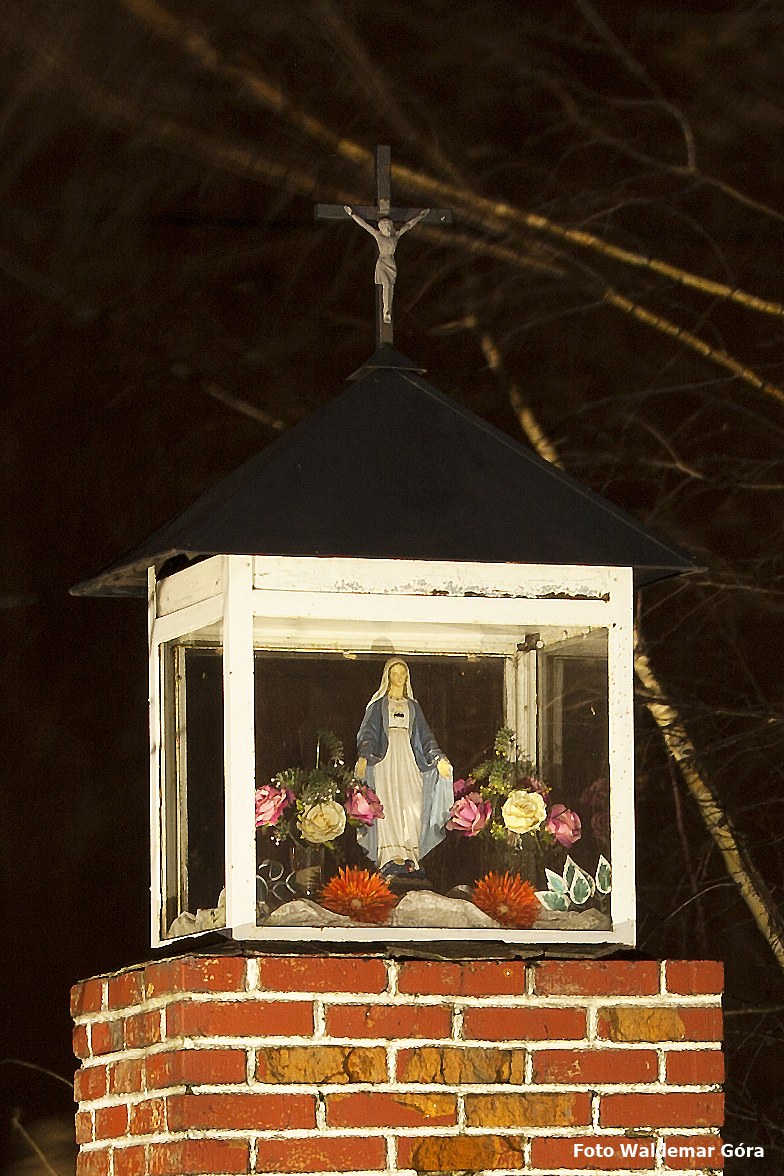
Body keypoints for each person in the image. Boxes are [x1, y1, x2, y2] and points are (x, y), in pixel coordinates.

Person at [354, 658, 453, 878]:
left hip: (409, 759)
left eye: (402, 674)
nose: (398, 678)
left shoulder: (412, 707)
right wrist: (364, 756)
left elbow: (425, 737)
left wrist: (438, 759)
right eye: (394, 674)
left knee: (412, 803)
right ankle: (389, 857)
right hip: (385, 761)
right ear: (387, 677)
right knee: (387, 803)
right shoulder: (379, 705)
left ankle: (410, 855)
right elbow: (369, 733)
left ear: (407, 677)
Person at [343, 206, 430, 323]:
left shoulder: (396, 235)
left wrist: (421, 216)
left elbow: (409, 225)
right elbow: (364, 225)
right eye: (385, 226)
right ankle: (386, 311)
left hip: (391, 263)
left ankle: (388, 309)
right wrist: (352, 214)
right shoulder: (378, 236)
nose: (388, 228)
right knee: (387, 285)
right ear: (381, 228)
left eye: (389, 225)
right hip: (382, 262)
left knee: (390, 286)